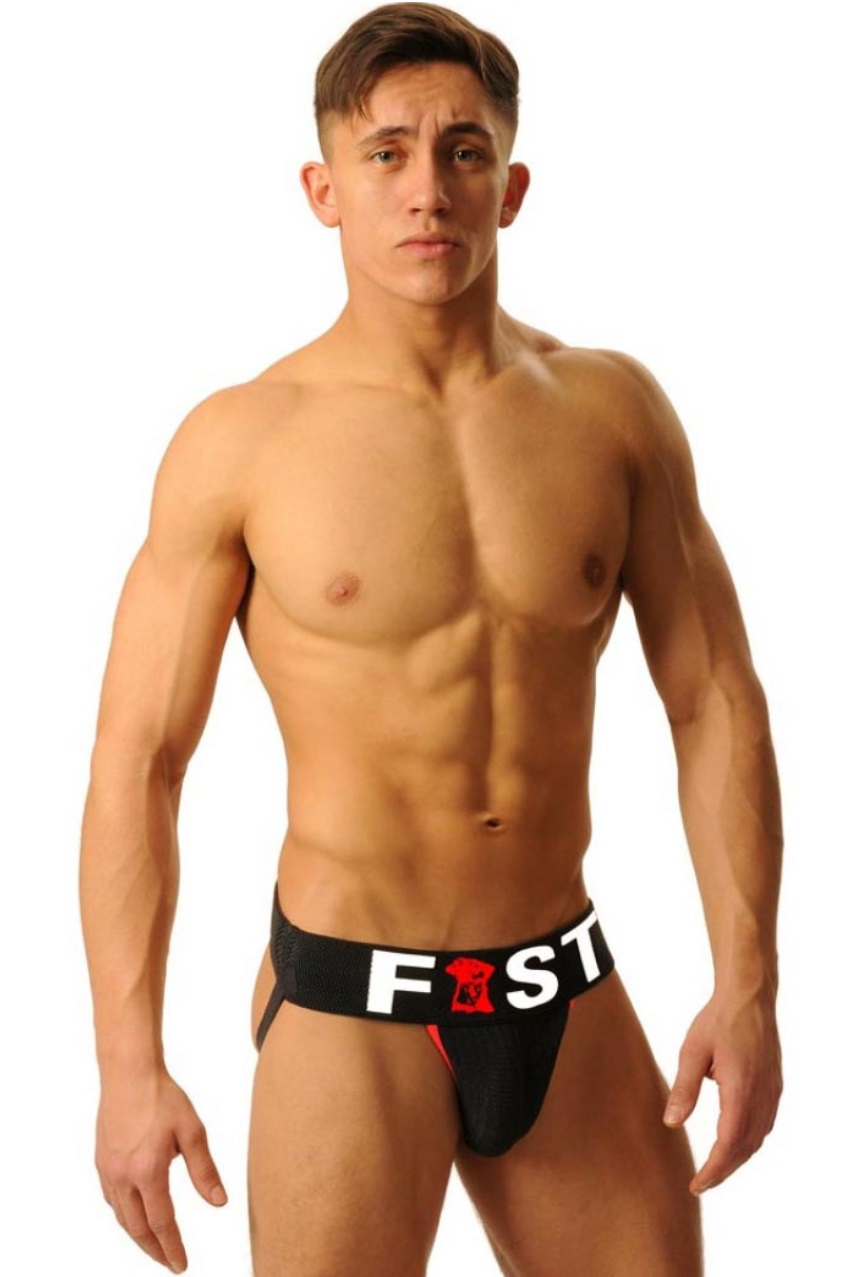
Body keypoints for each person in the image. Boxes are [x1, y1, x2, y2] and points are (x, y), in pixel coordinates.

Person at [79, 4, 784, 1274]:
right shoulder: (243, 442)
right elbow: (142, 760)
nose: (427, 190)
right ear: (324, 190)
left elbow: (714, 701)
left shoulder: (614, 415)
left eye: (464, 152)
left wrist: (749, 985)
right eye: (386, 153)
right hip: (351, 1001)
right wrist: (129, 1066)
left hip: (563, 987)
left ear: (511, 186)